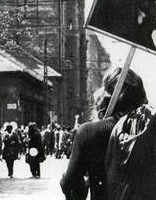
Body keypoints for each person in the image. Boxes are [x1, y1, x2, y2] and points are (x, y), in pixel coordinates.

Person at [60, 67, 148, 200]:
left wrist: (70, 184)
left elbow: (70, 185)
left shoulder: (88, 132)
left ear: (108, 97)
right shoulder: (155, 130)